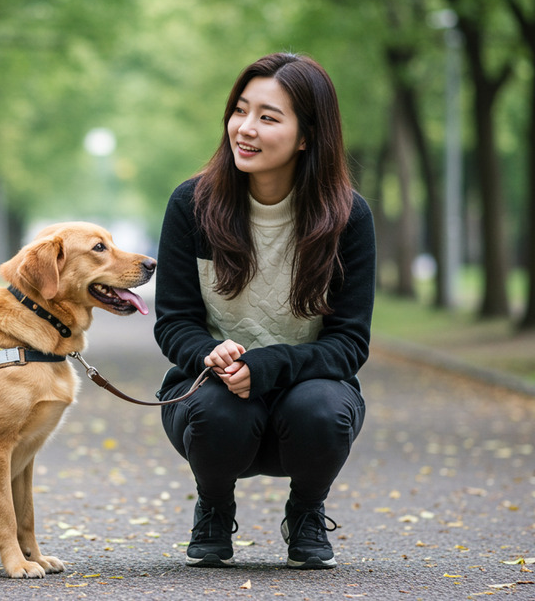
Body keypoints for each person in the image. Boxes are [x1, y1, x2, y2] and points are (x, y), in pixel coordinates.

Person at [153, 52, 374, 570]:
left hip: (307, 401)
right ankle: (214, 505)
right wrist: (211, 355)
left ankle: (306, 511)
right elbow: (174, 322)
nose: (245, 129)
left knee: (321, 411)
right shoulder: (192, 205)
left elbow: (349, 344)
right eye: (240, 110)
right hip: (213, 401)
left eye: (268, 117)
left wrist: (269, 365)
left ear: (306, 136)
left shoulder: (347, 218)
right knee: (216, 410)